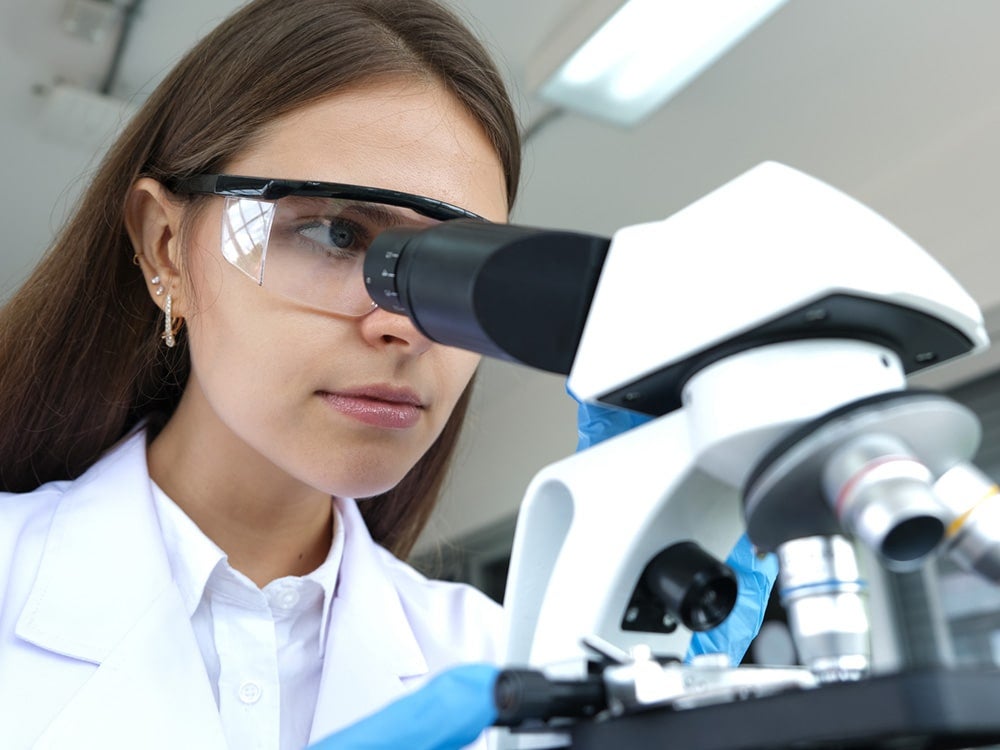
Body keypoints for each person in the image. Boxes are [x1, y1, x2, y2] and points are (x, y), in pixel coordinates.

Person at [0, 0, 773, 747]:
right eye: (336, 233)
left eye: (461, 269)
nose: (406, 322)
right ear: (166, 246)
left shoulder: (508, 662)